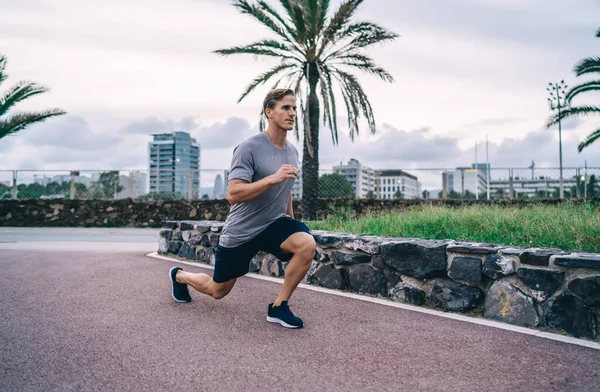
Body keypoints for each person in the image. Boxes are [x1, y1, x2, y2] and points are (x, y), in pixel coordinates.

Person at [169, 88, 316, 329]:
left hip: (274, 223)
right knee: (218, 291)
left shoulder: (292, 152)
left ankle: (279, 307)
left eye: (294, 109)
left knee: (306, 243)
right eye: (285, 108)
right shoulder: (248, 148)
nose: (292, 113)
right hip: (242, 231)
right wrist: (271, 179)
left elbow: (285, 188)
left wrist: (291, 222)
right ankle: (179, 276)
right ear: (269, 112)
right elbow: (234, 194)